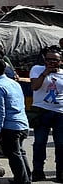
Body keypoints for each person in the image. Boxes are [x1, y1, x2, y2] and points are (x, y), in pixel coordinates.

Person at [0, 56, 32, 183]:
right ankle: (26, 177)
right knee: (20, 153)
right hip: (21, 123)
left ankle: (22, 180)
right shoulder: (14, 83)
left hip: (10, 126)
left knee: (14, 155)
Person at [29, 47, 62, 182]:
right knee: (39, 143)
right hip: (41, 111)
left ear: (61, 61)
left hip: (60, 112)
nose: (51, 62)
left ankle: (60, 172)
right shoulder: (37, 69)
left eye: (55, 60)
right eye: (48, 60)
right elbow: (34, 87)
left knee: (61, 144)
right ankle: (38, 171)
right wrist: (45, 73)